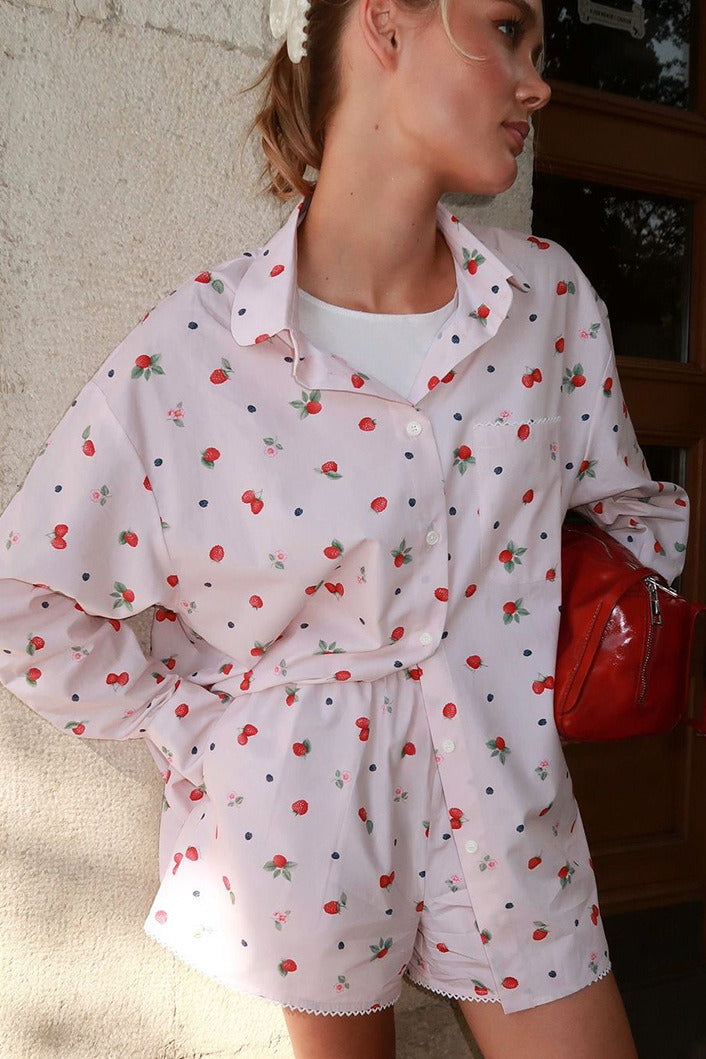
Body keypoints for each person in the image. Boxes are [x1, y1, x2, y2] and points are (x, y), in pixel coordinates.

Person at [0, 0, 690, 1057]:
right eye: (507, 29)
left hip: (509, 812)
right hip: (301, 828)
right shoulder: (203, 348)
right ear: (387, 24)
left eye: (540, 49)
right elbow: (26, 592)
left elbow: (632, 518)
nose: (536, 82)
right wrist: (194, 726)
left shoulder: (545, 303)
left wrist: (556, 643)